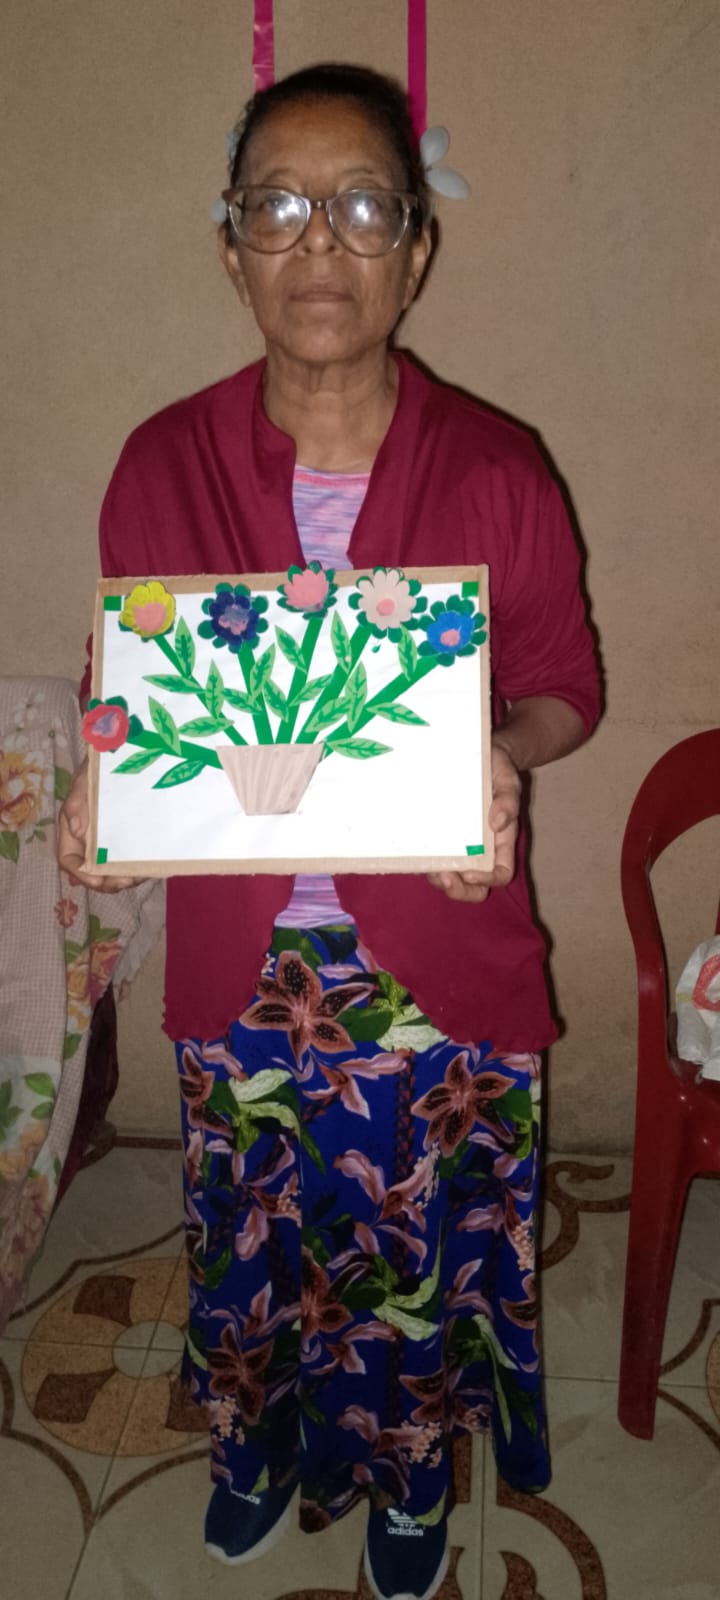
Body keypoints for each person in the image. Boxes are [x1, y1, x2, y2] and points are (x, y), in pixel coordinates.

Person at [58, 62, 600, 1600]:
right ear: (229, 244)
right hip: (243, 966)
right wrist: (102, 790)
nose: (319, 243)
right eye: (278, 206)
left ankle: (409, 1481)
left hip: (435, 963)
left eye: (362, 207)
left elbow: (566, 688)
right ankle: (256, 1444)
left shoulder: (497, 467)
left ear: (415, 249)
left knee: (408, 1264)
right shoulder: (160, 462)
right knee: (248, 1241)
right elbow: (126, 703)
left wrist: (502, 755)